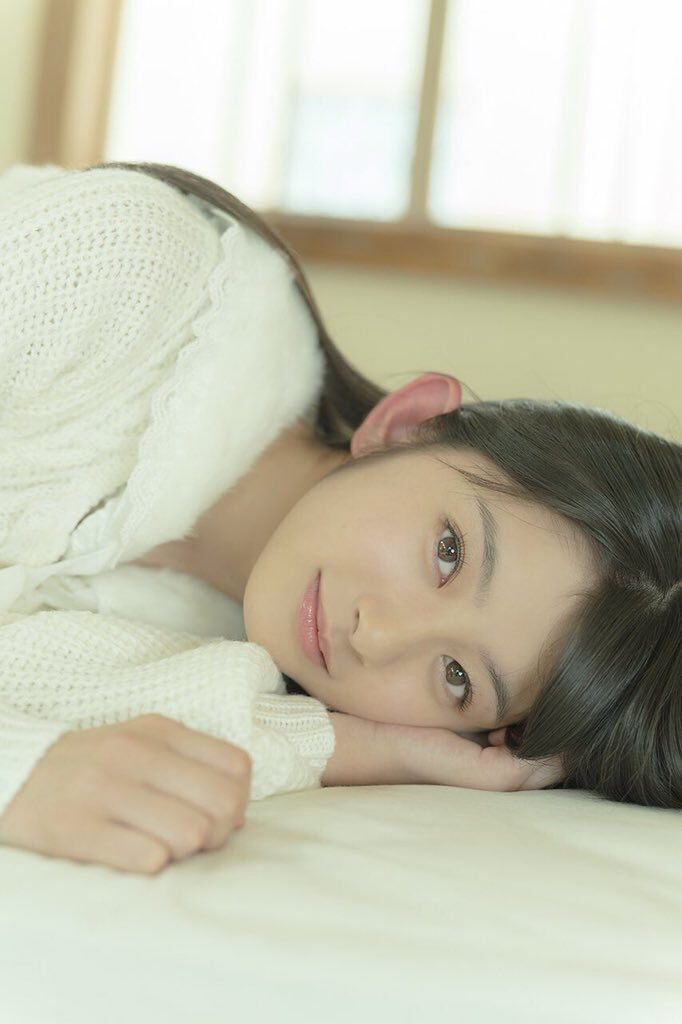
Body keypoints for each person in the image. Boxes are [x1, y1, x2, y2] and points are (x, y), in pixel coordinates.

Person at [0, 163, 678, 878]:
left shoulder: (212, 662)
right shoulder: (120, 268)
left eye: (455, 677)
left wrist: (364, 747)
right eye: (448, 553)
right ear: (406, 425)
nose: (377, 636)